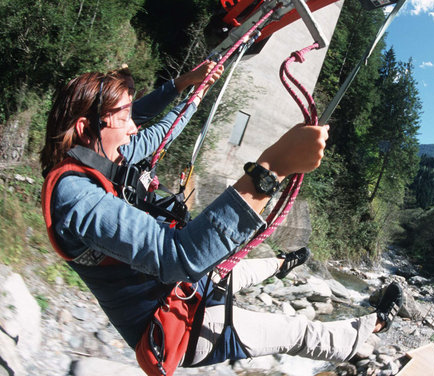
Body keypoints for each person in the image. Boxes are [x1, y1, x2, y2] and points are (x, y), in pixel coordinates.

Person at [40, 64, 404, 375]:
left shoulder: (101, 155)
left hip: (187, 288)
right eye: (123, 118)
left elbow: (158, 128)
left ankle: (282, 264)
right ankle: (371, 327)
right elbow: (176, 258)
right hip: (178, 323)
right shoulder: (74, 198)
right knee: (297, 331)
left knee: (240, 268)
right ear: (89, 128)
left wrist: (188, 87)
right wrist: (272, 168)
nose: (134, 128)